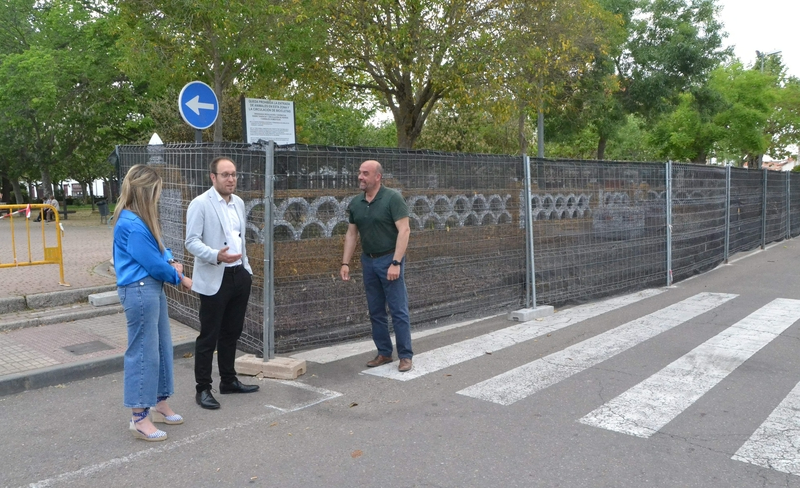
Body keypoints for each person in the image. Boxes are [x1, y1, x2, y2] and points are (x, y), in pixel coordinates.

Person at [112, 164, 192, 442]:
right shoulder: (131, 224)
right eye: (156, 192)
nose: (158, 197)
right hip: (139, 290)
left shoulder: (140, 219)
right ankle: (139, 417)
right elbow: (152, 263)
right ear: (146, 192)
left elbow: (159, 248)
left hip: (150, 289)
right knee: (143, 353)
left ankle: (159, 401)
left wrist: (170, 261)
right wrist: (177, 275)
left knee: (159, 347)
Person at [185, 156, 259, 410]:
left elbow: (239, 238)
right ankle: (203, 388)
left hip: (239, 275)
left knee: (232, 333)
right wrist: (216, 255)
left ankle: (228, 380)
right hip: (214, 276)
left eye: (234, 174)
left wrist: (246, 270)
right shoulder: (200, 204)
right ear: (213, 177)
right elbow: (191, 241)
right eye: (225, 175)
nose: (231, 179)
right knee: (209, 336)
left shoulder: (238, 203)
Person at [340, 160, 413, 372]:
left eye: (365, 173)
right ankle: (384, 353)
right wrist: (345, 262)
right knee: (375, 310)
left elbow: (404, 231)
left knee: (398, 309)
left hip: (389, 260)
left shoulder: (392, 198)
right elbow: (352, 234)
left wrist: (396, 262)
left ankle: (405, 356)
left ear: (377, 177)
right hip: (368, 261)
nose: (360, 177)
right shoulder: (356, 203)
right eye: (359, 173)